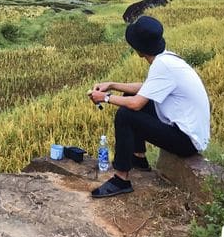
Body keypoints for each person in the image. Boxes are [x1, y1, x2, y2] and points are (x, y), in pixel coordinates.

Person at [87, 15, 210, 198]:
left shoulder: (163, 65)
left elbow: (137, 104)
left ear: (139, 49)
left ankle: (121, 179)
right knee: (131, 96)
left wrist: (105, 97)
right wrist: (112, 85)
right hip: (185, 131)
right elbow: (146, 89)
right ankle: (139, 159)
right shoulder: (167, 59)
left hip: (187, 141)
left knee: (125, 115)